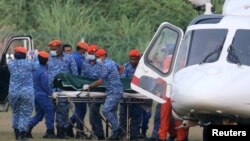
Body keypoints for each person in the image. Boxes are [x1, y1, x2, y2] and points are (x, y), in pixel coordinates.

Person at [83, 48, 123, 140]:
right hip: (113, 89)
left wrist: (89, 86)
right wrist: (116, 77)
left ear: (104, 56)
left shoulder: (106, 65)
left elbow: (100, 81)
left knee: (106, 110)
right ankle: (116, 134)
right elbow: (121, 68)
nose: (97, 59)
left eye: (98, 57)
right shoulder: (111, 62)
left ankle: (117, 130)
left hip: (114, 90)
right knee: (111, 111)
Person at [47, 39, 78, 139]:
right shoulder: (48, 58)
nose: (52, 50)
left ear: (60, 48)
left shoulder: (69, 58)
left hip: (64, 89)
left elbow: (74, 73)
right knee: (50, 110)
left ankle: (62, 132)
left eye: (54, 49)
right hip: (50, 89)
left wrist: (73, 87)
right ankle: (50, 131)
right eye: (51, 49)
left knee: (63, 111)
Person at [8, 46, 37, 140]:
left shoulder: (10, 64)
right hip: (26, 93)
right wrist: (34, 55)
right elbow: (36, 65)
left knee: (15, 112)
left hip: (13, 92)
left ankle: (16, 133)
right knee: (25, 114)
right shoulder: (29, 63)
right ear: (25, 55)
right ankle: (22, 134)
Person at [27, 51, 56, 139]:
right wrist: (52, 93)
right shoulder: (43, 71)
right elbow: (45, 85)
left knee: (40, 114)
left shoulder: (35, 69)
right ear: (46, 60)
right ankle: (50, 132)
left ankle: (27, 127)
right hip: (42, 95)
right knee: (50, 110)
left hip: (34, 94)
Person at [81, 45, 105, 140]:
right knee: (92, 112)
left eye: (94, 53)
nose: (92, 55)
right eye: (90, 53)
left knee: (94, 111)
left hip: (99, 89)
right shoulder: (85, 63)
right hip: (88, 90)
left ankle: (99, 133)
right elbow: (82, 76)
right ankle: (96, 133)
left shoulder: (101, 63)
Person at [119, 49, 143, 140]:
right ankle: (122, 134)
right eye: (131, 59)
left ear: (138, 58)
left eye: (135, 59)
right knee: (123, 116)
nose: (133, 61)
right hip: (126, 95)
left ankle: (134, 135)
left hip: (138, 96)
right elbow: (123, 80)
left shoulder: (142, 67)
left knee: (136, 116)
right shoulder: (125, 66)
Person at [67, 41, 89, 139]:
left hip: (74, 85)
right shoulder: (78, 58)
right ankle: (78, 130)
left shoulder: (72, 56)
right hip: (78, 86)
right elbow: (84, 70)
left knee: (79, 109)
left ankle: (69, 126)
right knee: (81, 109)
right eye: (85, 50)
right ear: (82, 49)